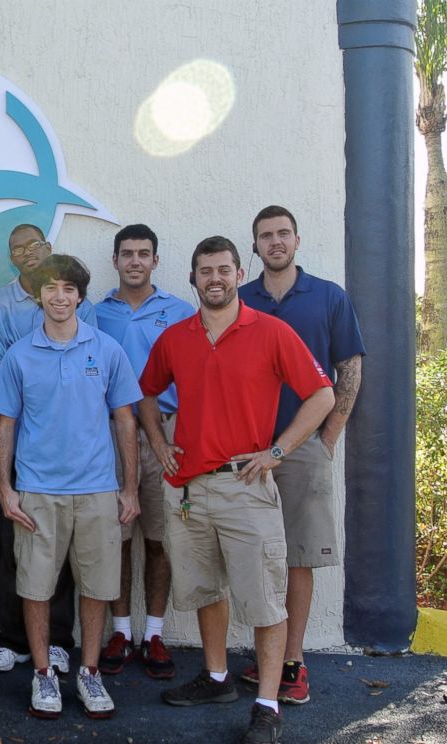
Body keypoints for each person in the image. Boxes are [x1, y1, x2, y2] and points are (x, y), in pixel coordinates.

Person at [138, 236, 335, 744]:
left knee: (265, 601)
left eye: (224, 269)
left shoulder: (270, 332)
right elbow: (146, 391)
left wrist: (277, 451)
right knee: (205, 589)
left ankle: (268, 705)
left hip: (246, 486)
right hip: (189, 490)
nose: (215, 279)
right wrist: (159, 441)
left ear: (237, 271)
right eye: (205, 271)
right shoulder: (175, 338)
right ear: (192, 277)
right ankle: (218, 676)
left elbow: (322, 394)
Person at [0, 254, 141, 719]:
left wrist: (129, 488)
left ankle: (90, 673)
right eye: (51, 287)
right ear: (38, 295)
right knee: (35, 587)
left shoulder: (106, 349)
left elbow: (124, 420)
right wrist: (5, 486)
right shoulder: (19, 355)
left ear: (80, 296)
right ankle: (43, 674)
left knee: (96, 587)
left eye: (69, 289)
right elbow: (6, 424)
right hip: (37, 489)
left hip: (96, 489)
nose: (60, 296)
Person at [238, 206, 365, 704]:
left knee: (297, 560)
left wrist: (327, 438)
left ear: (296, 239)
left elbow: (348, 368)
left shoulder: (329, 297)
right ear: (254, 246)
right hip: (245, 452)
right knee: (251, 555)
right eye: (265, 236)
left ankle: (293, 664)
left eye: (282, 234)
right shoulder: (241, 300)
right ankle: (261, 658)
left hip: (304, 450)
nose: (275, 242)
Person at [0, 223, 96, 675]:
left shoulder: (79, 303)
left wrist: (22, 358)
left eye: (34, 244)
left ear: (49, 246)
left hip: (65, 452)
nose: (27, 251)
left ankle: (59, 640)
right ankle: (11, 640)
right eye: (17, 246)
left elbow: (89, 364)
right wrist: (35, 358)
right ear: (11, 258)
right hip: (10, 445)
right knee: (8, 544)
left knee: (59, 547)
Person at [95, 224, 193, 679]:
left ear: (155, 261)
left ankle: (153, 633)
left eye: (144, 253)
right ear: (114, 261)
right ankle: (120, 631)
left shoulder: (180, 311)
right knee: (117, 539)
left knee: (159, 538)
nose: (135, 260)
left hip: (165, 436)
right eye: (127, 253)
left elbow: (195, 380)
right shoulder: (93, 313)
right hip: (109, 437)